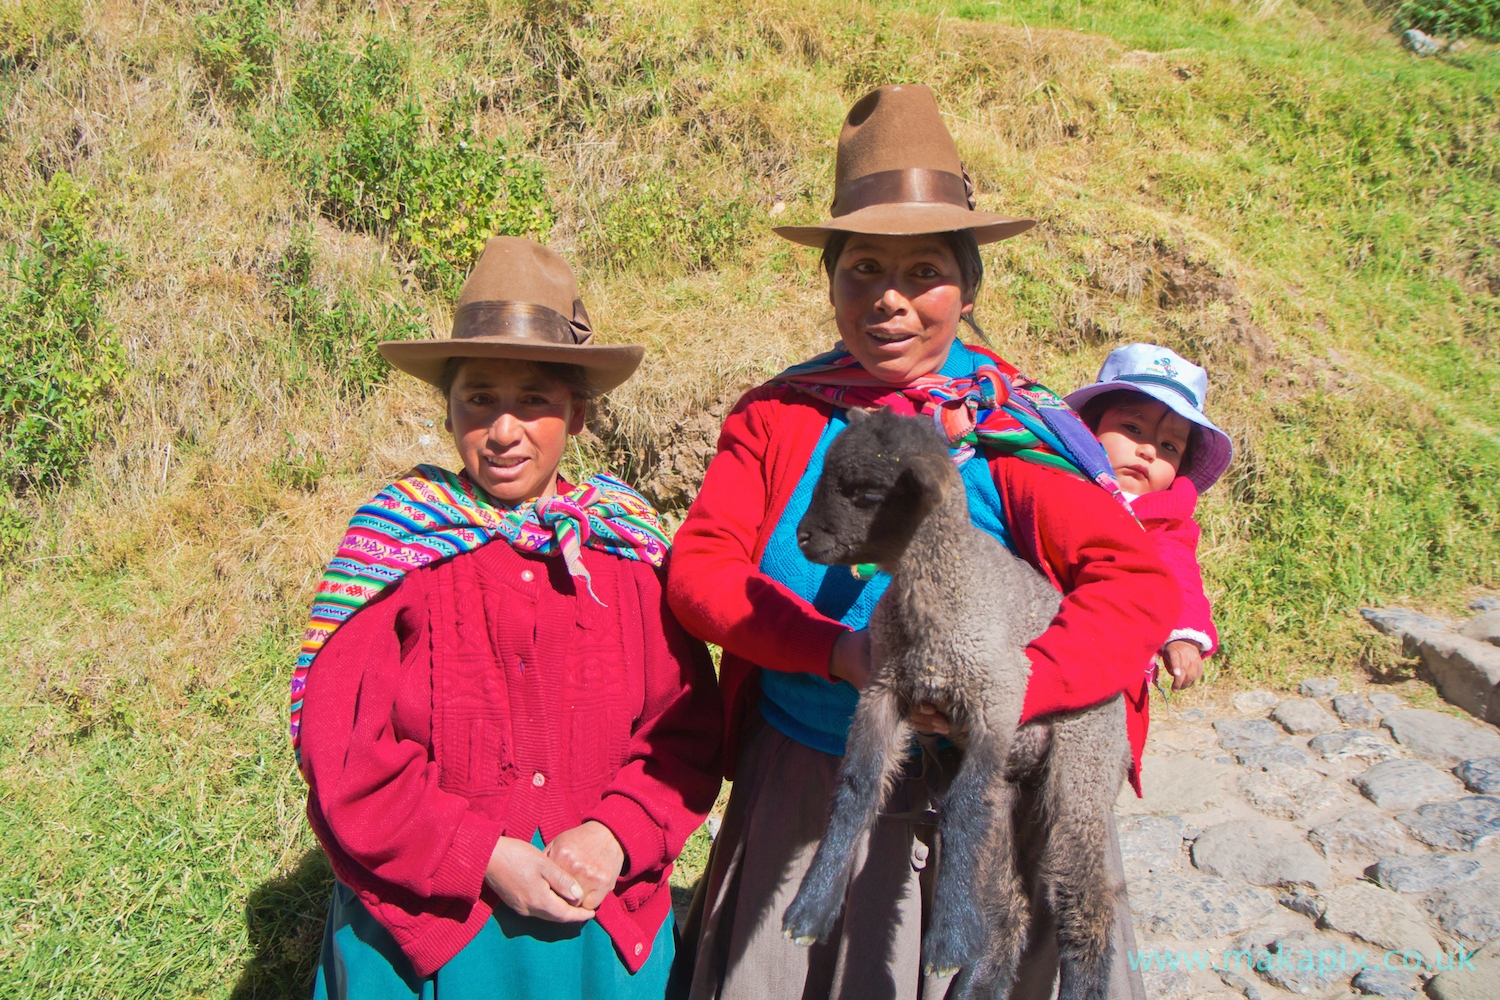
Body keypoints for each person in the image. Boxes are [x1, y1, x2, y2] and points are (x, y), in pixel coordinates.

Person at [667, 85, 1179, 1000]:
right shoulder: (780, 419)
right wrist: (833, 650)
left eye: (924, 273)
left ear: (969, 285)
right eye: (862, 268)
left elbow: (1132, 585)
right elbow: (703, 572)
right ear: (829, 280)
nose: (890, 301)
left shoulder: (1011, 430)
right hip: (818, 771)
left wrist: (1024, 688)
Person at [291, 237, 723, 1000]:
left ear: (579, 415)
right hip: (434, 926)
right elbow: (347, 753)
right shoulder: (397, 549)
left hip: (595, 927)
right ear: (450, 407)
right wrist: (480, 854)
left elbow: (681, 734)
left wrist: (613, 834)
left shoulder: (625, 555)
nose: (503, 429)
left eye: (535, 401)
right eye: (480, 398)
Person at [1065, 343, 1234, 697]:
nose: (1149, 451)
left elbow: (1178, 576)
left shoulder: (1163, 523)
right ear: (1088, 427)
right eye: (1132, 427)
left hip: (1113, 670)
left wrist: (1184, 636)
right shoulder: (1055, 484)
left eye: (1169, 447)